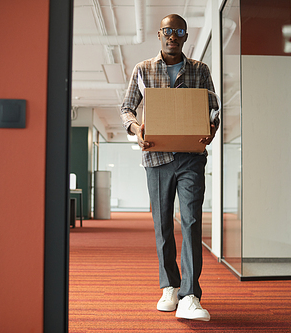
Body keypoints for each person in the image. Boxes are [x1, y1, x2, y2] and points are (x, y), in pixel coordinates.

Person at [120, 14, 219, 322]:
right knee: (163, 224)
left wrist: (211, 129)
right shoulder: (143, 70)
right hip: (156, 158)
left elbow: (214, 108)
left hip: (191, 156)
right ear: (160, 35)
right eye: (167, 31)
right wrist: (137, 129)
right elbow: (126, 108)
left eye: (178, 32)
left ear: (185, 37)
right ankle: (170, 286)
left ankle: (190, 295)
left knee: (190, 222)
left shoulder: (200, 70)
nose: (172, 36)